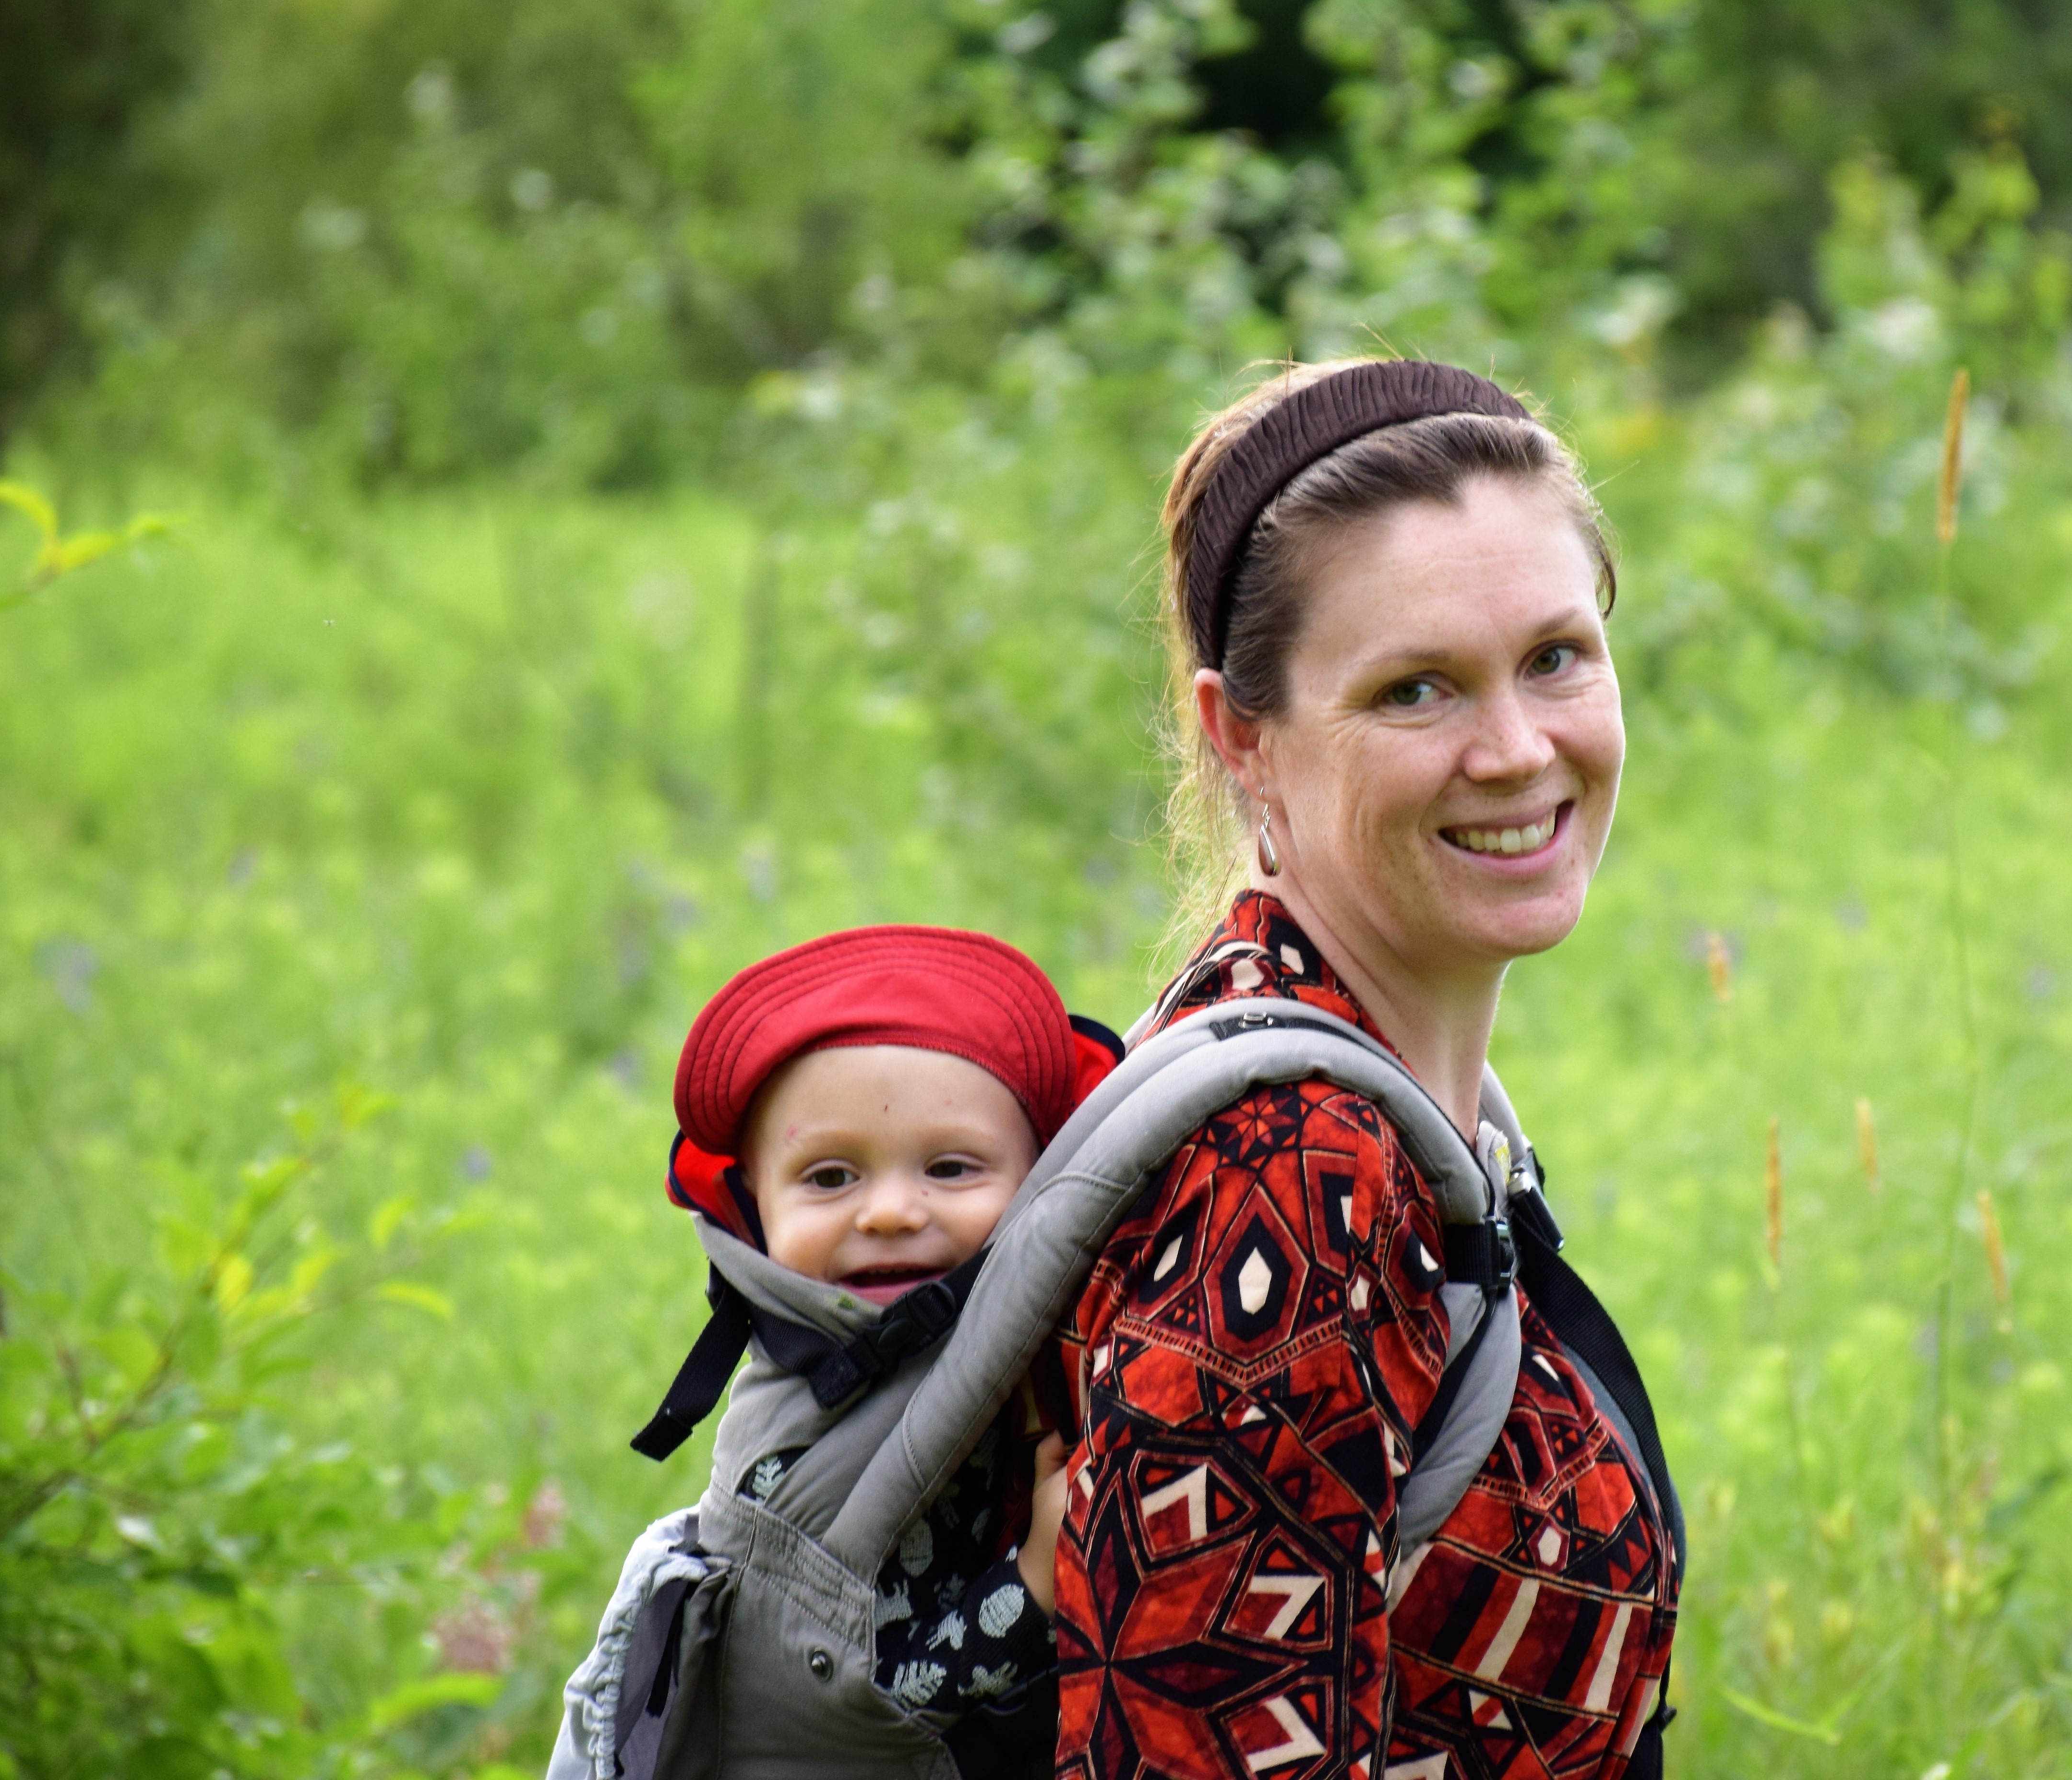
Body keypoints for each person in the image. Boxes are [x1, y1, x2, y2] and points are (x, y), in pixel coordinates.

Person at [1049, 359, 1680, 1780]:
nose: (1518, 751)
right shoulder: (1287, 1172)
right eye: (1417, 691)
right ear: (1244, 741)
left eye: (1557, 657)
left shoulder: (1384, 1107)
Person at [560, 924, 1095, 1771]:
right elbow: (857, 1699)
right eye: (830, 1178)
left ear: (1039, 1180)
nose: (888, 1212)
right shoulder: (796, 1440)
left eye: (951, 1169)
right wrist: (1033, 1584)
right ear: (755, 1208)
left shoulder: (1043, 1333)